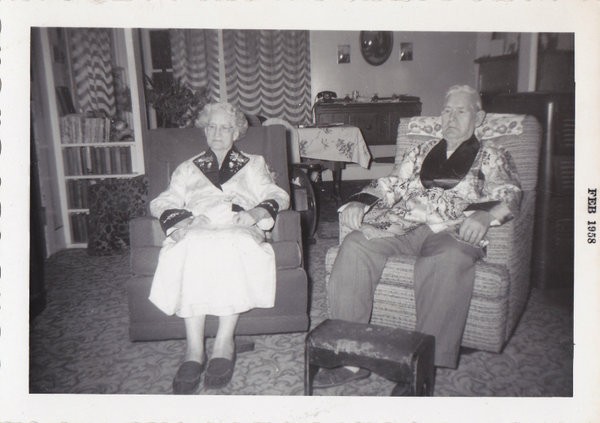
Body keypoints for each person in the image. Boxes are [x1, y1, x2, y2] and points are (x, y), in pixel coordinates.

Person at [314, 85, 522, 388]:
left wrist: (485, 214)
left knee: (446, 260)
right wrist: (360, 199)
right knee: (356, 244)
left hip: (454, 229)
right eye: (447, 111)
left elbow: (510, 191)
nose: (450, 118)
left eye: (460, 111)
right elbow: (393, 182)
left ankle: (421, 368)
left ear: (479, 117)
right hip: (406, 224)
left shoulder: (491, 155)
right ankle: (350, 358)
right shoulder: (422, 151)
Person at [149, 102, 289, 394]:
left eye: (225, 127)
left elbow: (277, 195)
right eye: (211, 126)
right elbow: (163, 201)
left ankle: (225, 343)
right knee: (192, 245)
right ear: (204, 129)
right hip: (198, 225)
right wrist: (184, 220)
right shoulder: (188, 168)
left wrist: (255, 214)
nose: (217, 133)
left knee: (231, 243)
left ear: (236, 131)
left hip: (238, 224)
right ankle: (194, 350)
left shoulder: (253, 163)